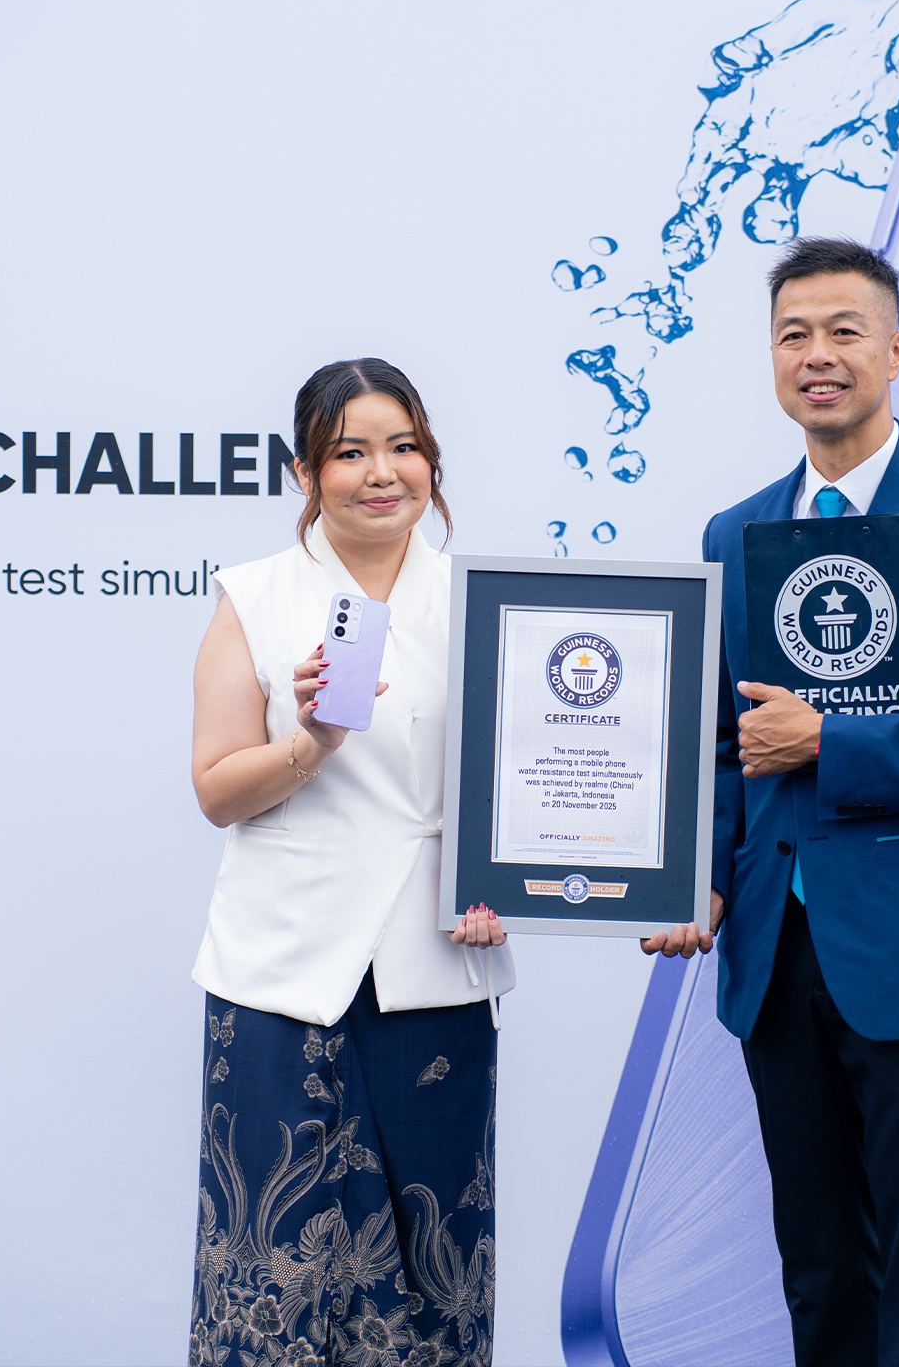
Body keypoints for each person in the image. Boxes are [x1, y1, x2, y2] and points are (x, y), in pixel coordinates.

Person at [644, 238, 899, 1365]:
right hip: (777, 960)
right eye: (794, 335)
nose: (817, 356)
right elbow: (723, 746)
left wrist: (829, 742)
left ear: (897, 349)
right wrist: (701, 877)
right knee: (823, 1276)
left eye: (843, 332)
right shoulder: (733, 534)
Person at [186, 358, 511, 1367]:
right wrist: (311, 743)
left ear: (432, 463)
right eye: (350, 452)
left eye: (404, 447)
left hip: (436, 963)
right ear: (304, 472)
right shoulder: (255, 595)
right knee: (268, 1257)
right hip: (282, 971)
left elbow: (535, 781)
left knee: (432, 1261)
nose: (382, 473)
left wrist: (513, 876)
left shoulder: (490, 601)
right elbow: (216, 790)